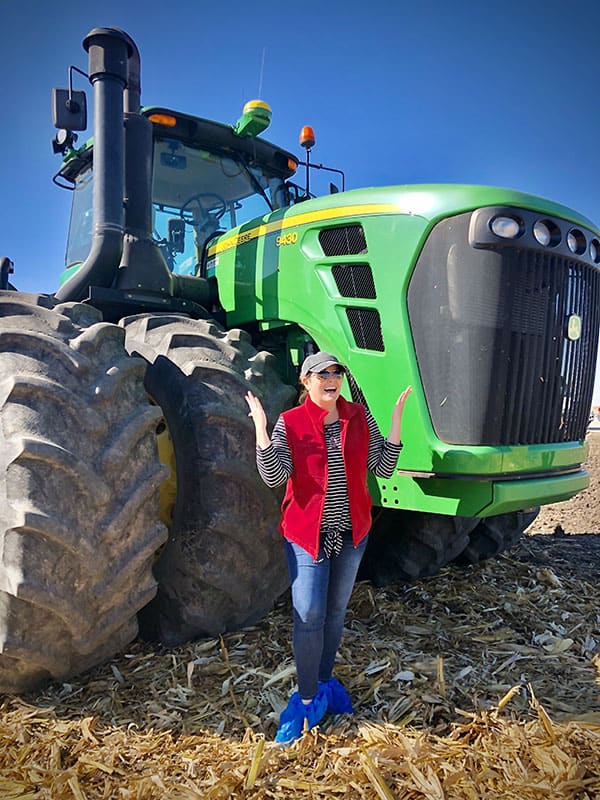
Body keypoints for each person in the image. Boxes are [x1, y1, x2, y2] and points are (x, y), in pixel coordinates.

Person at [245, 351, 412, 744]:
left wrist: (395, 425)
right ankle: (305, 700)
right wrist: (261, 430)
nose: (331, 378)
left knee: (335, 612)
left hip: (352, 533)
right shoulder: (292, 422)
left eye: (336, 372)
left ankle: (323, 682)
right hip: (306, 535)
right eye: (322, 373)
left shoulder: (357, 417)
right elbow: (273, 477)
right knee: (308, 612)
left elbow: (382, 468)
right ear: (306, 382)